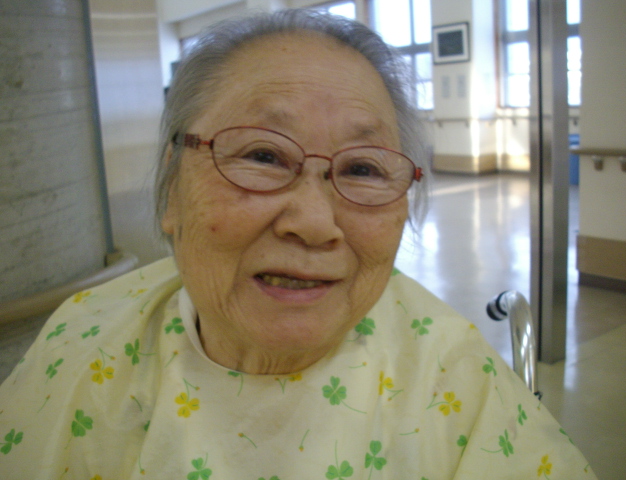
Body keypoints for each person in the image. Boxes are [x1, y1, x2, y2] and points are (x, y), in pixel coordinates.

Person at [0, 9, 596, 479]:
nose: (314, 223)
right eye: (262, 155)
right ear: (172, 190)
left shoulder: (457, 384)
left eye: (362, 169)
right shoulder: (81, 337)